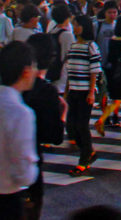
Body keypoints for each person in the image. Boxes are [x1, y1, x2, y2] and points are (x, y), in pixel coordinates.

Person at [23, 33, 64, 220]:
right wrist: (63, 114)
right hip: (29, 166)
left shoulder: (14, 86)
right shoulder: (46, 91)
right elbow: (54, 136)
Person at [0, 42, 39, 220]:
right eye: (34, 67)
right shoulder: (20, 113)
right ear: (25, 71)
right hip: (7, 198)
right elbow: (24, 173)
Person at [65, 15, 101, 175]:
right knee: (72, 125)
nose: (75, 27)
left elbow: (94, 70)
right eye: (74, 24)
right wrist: (67, 90)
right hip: (74, 90)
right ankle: (88, 151)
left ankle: (84, 158)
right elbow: (69, 69)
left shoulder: (91, 46)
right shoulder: (73, 45)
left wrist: (92, 91)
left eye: (77, 25)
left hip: (85, 91)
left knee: (81, 125)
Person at [96, 15, 121, 136]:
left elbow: (111, 57)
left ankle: (102, 119)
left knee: (116, 100)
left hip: (115, 73)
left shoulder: (113, 40)